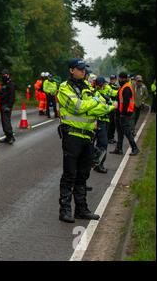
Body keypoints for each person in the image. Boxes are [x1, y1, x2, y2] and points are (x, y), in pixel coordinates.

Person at [57, 58, 114, 223]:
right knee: (69, 174)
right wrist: (93, 103)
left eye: (84, 69)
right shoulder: (64, 88)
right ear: (71, 70)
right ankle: (65, 210)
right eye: (80, 69)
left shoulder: (88, 87)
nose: (83, 72)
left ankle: (81, 209)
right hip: (72, 136)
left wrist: (92, 103)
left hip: (88, 136)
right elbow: (77, 107)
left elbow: (102, 106)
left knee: (83, 174)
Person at [110, 72, 140, 156]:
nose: (119, 80)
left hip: (124, 114)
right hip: (120, 113)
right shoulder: (123, 87)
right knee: (119, 131)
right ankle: (119, 149)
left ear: (122, 78)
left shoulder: (126, 88)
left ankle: (135, 148)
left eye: (119, 78)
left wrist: (123, 114)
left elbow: (126, 102)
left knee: (127, 132)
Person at [93, 77, 114, 173]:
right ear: (100, 85)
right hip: (100, 121)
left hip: (104, 121)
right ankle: (99, 165)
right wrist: (112, 106)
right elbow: (101, 109)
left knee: (99, 143)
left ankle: (97, 162)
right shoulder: (96, 94)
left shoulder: (102, 93)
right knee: (103, 144)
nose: (105, 85)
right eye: (103, 84)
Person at [0, 69, 16, 144]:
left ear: (8, 75)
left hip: (7, 105)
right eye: (2, 75)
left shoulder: (10, 84)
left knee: (6, 121)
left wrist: (9, 106)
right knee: (3, 121)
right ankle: (7, 137)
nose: (3, 76)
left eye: (4, 75)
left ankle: (11, 137)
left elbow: (12, 96)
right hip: (2, 104)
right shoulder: (2, 84)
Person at [107, 74, 119, 144]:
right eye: (111, 79)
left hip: (115, 107)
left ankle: (112, 137)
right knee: (110, 123)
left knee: (114, 124)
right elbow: (113, 94)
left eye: (113, 79)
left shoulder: (117, 86)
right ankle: (109, 138)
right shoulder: (108, 86)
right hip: (109, 107)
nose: (112, 80)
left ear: (116, 79)